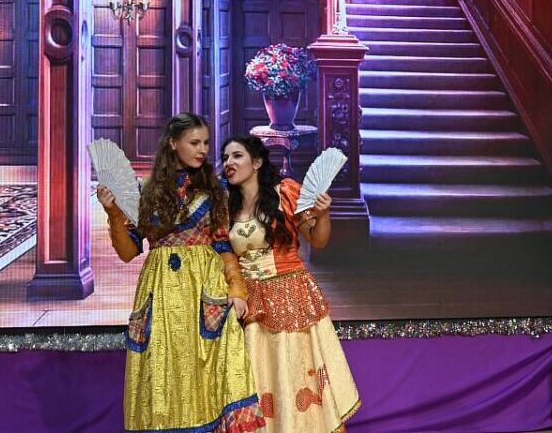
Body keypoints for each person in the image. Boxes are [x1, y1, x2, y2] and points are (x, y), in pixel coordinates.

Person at [97, 113, 265, 433]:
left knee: (214, 372)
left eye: (205, 143)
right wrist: (114, 214)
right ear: (173, 143)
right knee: (162, 372)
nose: (202, 150)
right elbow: (128, 252)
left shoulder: (215, 191)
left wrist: (237, 288)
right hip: (160, 292)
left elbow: (223, 246)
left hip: (204, 291)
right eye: (194, 142)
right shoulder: (144, 191)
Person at [221, 136, 361, 432]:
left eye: (237, 156)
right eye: (225, 158)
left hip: (289, 297)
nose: (228, 163)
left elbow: (318, 240)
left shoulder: (284, 192)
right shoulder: (226, 206)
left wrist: (323, 214)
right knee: (259, 378)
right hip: (251, 304)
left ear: (257, 162)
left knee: (293, 374)